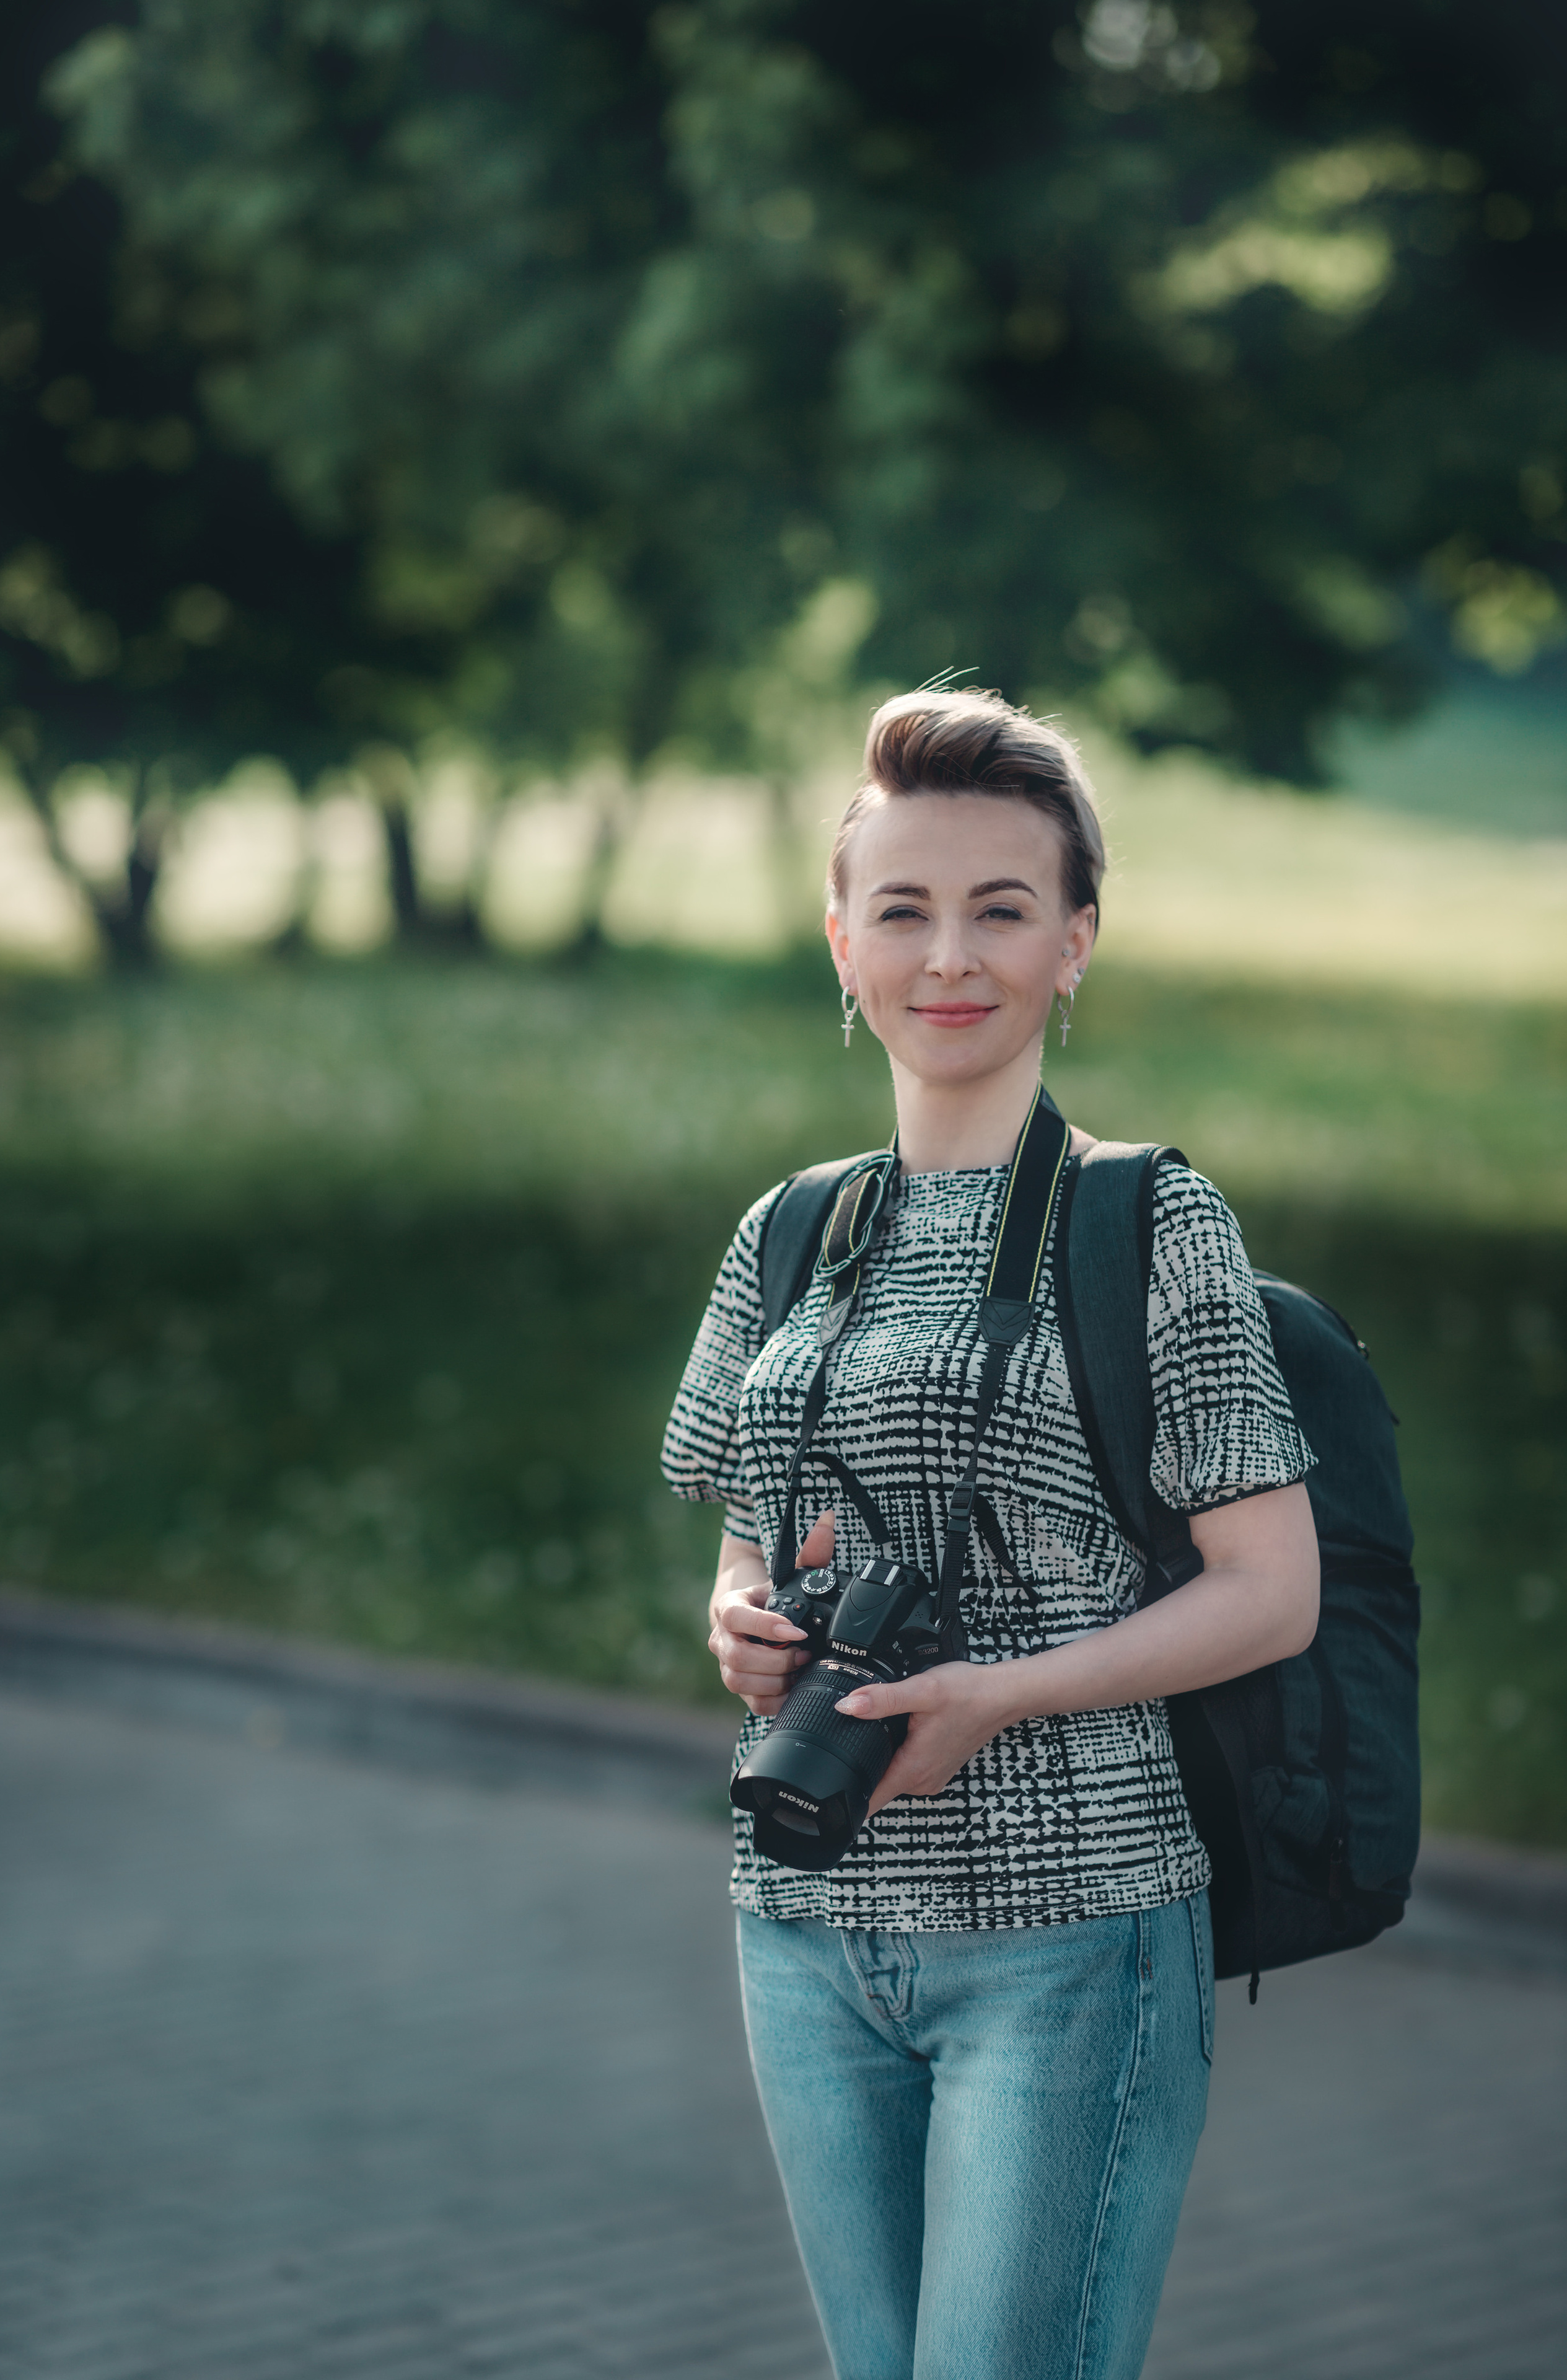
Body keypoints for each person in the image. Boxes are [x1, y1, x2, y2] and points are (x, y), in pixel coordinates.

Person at [661, 687, 1319, 2380]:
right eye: (904, 909)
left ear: (1076, 943)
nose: (948, 955)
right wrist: (735, 1617)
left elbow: (1273, 1593)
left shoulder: (1150, 1217)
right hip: (800, 1918)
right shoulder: (790, 1231)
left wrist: (1003, 1697)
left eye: (1000, 910)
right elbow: (752, 1535)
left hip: (1070, 1936)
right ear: (840, 941)